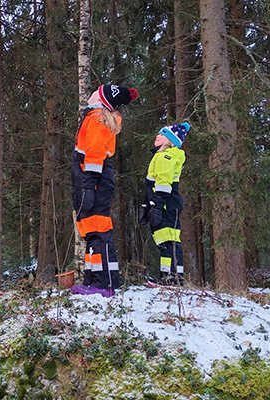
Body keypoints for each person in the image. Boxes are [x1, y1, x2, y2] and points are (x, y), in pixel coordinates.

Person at [70, 84, 139, 297]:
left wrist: (88, 184)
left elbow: (95, 152)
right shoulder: (95, 116)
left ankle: (105, 283)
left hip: (94, 178)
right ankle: (94, 280)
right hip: (89, 177)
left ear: (101, 99)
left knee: (98, 230)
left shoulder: (97, 118)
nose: (90, 94)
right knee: (91, 231)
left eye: (95, 92)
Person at [142, 123, 189, 286]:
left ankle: (175, 278)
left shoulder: (166, 156)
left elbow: (163, 183)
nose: (157, 136)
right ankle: (166, 276)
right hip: (162, 203)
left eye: (162, 134)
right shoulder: (160, 155)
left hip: (166, 205)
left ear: (170, 140)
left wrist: (156, 205)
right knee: (164, 243)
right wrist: (147, 205)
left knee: (170, 241)